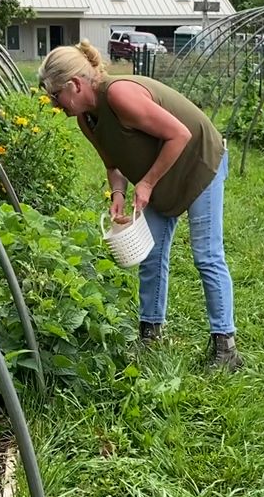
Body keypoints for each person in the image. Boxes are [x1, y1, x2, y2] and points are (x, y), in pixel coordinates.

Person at [37, 39, 242, 371]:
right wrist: (118, 194)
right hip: (162, 173)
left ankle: (226, 347)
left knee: (206, 254)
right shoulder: (87, 120)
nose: (53, 103)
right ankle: (150, 335)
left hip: (199, 162)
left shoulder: (119, 95)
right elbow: (112, 164)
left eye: (55, 95)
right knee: (151, 254)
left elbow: (180, 134)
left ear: (74, 85)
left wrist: (145, 183)